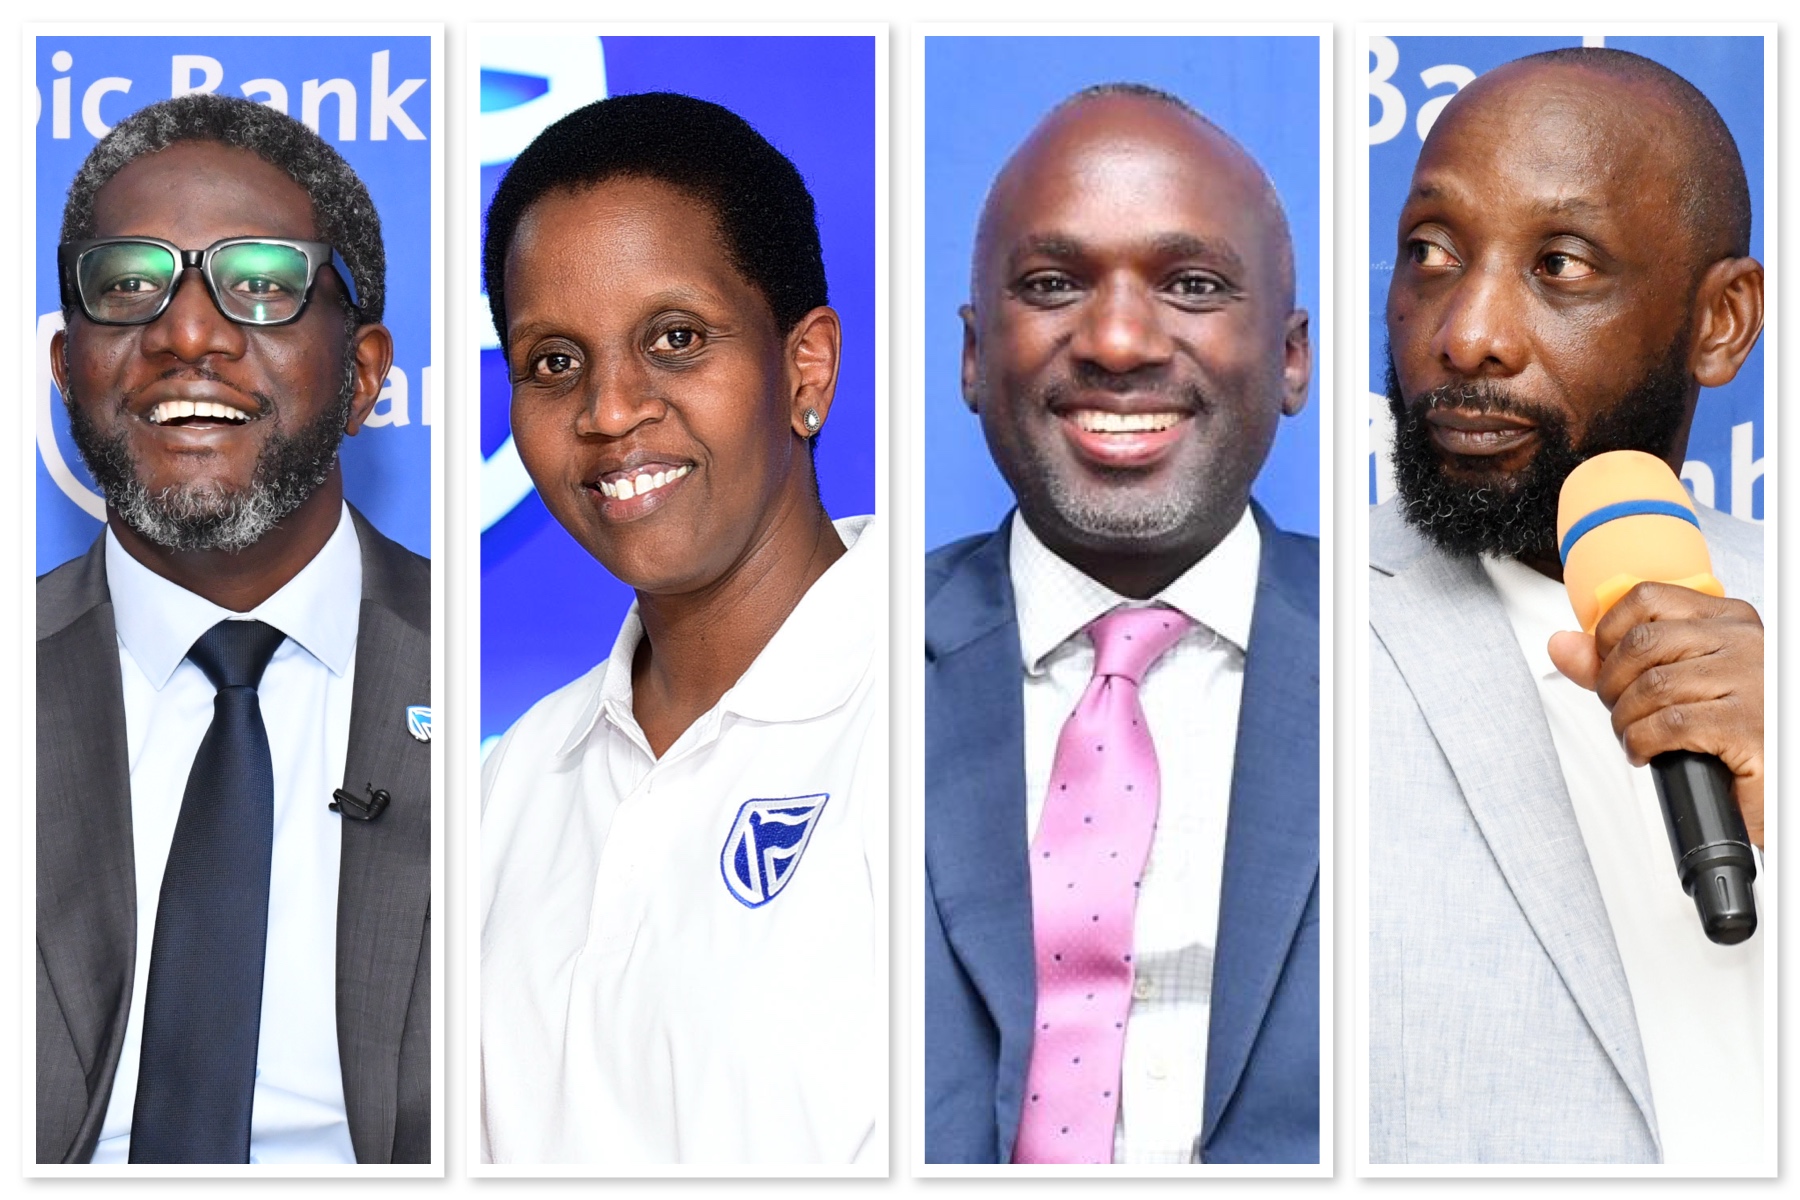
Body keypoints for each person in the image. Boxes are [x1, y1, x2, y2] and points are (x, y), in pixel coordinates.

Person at [1369, 47, 1766, 1166]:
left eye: (1560, 265)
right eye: (1431, 252)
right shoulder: (1291, 635)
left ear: (1721, 321)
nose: (1467, 334)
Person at [479, 92, 882, 1166]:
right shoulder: (511, 782)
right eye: (553, 362)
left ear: (806, 368)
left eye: (675, 339)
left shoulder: (938, 719)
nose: (611, 410)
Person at [924, 85, 1319, 1165]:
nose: (1116, 340)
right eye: (1054, 284)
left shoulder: (1401, 659)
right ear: (973, 355)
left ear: (1292, 357)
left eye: (1191, 285)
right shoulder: (839, 659)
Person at [37, 94, 430, 1165]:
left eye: (261, 282)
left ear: (363, 376)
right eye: (130, 284)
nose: (188, 333)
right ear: (66, 369)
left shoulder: (499, 693)